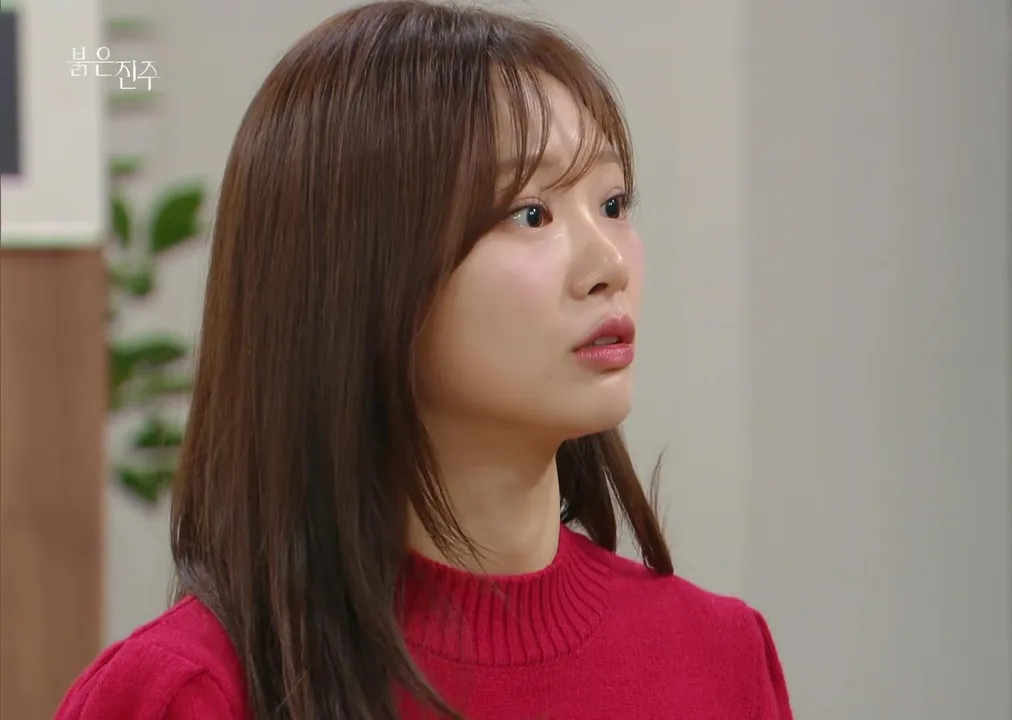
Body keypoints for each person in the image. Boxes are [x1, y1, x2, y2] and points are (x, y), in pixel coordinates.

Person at [56, 2, 792, 719]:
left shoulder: (720, 656)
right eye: (531, 213)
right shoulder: (188, 693)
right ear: (356, 274)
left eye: (614, 204)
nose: (609, 265)